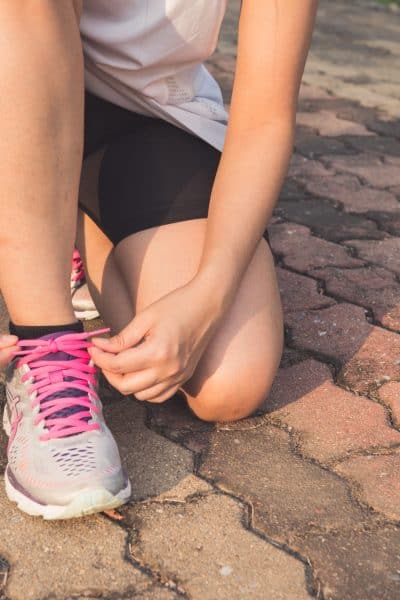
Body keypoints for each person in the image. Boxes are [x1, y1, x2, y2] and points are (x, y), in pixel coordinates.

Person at [0, 1, 318, 519]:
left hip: (146, 114)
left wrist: (206, 297)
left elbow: (265, 115)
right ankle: (46, 341)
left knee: (227, 380)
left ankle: (60, 224)